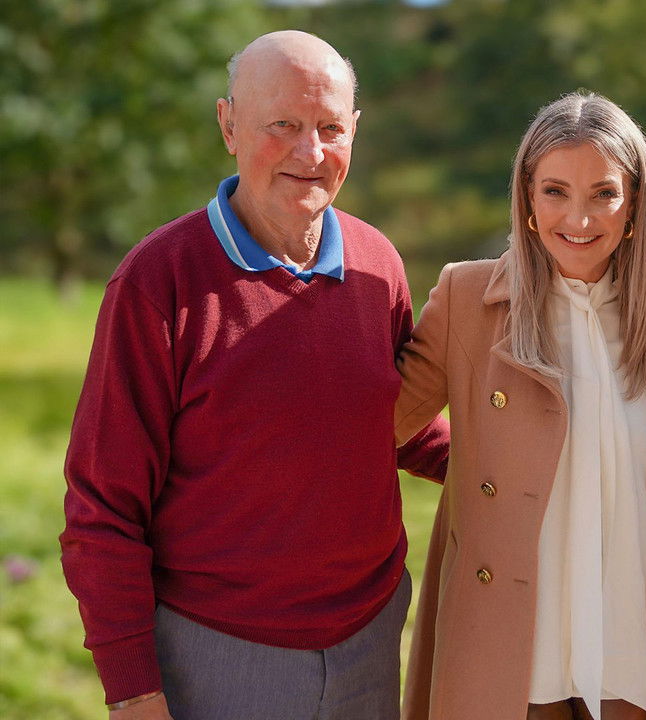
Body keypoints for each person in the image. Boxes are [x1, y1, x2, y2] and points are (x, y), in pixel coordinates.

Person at [60, 31, 449, 720]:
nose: (311, 152)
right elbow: (103, 508)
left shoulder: (377, 263)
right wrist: (134, 692)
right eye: (283, 126)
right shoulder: (158, 280)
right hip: (215, 651)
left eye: (331, 128)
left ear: (355, 130)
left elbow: (393, 420)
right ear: (229, 126)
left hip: (370, 637)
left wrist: (533, 459)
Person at [394, 92, 646, 720]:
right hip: (511, 629)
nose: (579, 218)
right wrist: (472, 463)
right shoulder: (468, 298)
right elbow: (381, 424)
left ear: (635, 204)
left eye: (604, 194)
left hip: (627, 622)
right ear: (527, 201)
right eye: (556, 191)